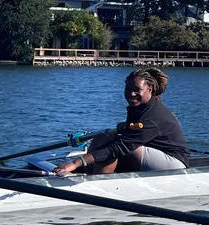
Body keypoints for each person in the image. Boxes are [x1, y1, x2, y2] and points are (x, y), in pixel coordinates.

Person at [53, 68, 189, 175]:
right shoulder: (139, 106)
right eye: (128, 89)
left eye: (137, 90)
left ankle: (97, 184)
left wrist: (76, 163)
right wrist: (125, 127)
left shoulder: (153, 115)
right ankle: (90, 176)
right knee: (101, 138)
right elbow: (129, 136)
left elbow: (120, 147)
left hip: (174, 163)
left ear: (150, 89)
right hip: (151, 151)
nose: (131, 94)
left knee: (111, 144)